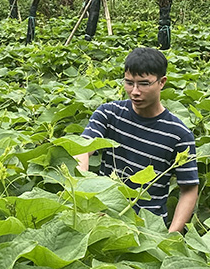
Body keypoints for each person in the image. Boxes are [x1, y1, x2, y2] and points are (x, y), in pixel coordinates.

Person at [75, 47, 199, 232]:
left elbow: (189, 189)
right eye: (129, 83)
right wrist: (81, 179)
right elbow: (83, 147)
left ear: (162, 82)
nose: (134, 91)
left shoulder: (179, 134)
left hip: (148, 229)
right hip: (103, 218)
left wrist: (172, 235)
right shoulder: (109, 113)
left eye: (143, 84)